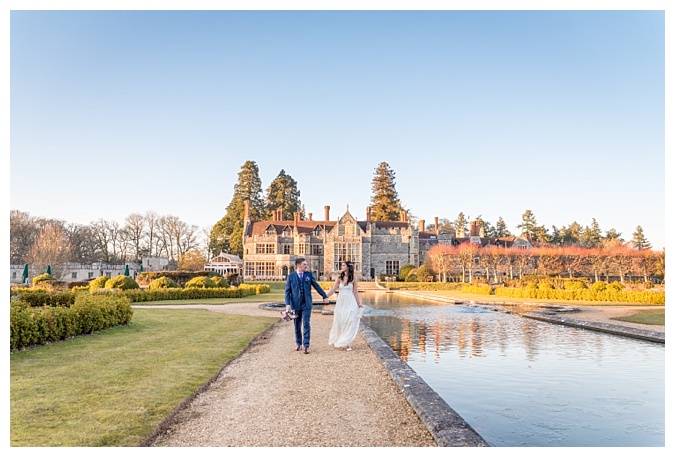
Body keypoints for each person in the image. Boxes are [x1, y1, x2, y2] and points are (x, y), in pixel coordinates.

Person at [285, 257, 328, 354]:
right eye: (304, 264)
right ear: (299, 265)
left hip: (306, 304)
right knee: (297, 325)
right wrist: (287, 304)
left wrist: (324, 296)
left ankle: (306, 345)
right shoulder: (291, 276)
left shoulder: (309, 275)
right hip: (295, 305)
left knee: (306, 324)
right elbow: (287, 292)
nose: (306, 266)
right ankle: (298, 343)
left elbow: (316, 286)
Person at [325, 261, 364, 351]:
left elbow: (355, 292)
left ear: (348, 267)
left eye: (343, 265)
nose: (341, 266)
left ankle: (348, 342)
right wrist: (325, 296)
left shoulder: (353, 278)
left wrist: (359, 304)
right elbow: (334, 289)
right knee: (341, 321)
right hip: (341, 302)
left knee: (350, 320)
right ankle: (341, 339)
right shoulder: (339, 277)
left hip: (350, 301)